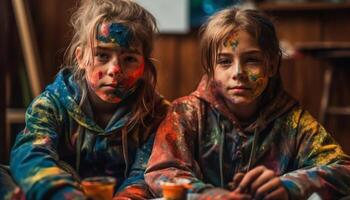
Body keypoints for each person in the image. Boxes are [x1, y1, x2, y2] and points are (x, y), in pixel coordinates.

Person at [145, 6, 350, 200]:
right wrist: (212, 196)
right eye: (225, 62)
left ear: (271, 65)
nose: (238, 73)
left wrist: (288, 186)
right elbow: (162, 171)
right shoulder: (186, 113)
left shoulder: (293, 121)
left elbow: (343, 168)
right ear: (210, 68)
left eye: (252, 60)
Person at [0, 0, 168, 199]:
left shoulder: (156, 113)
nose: (114, 70)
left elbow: (143, 174)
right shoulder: (51, 105)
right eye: (102, 56)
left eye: (129, 59)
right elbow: (31, 155)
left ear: (145, 68)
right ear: (80, 57)